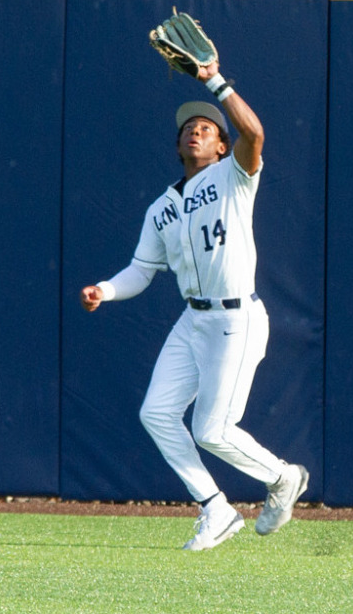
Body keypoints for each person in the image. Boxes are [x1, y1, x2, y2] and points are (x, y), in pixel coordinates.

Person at [80, 55, 308, 551]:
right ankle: (215, 508)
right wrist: (106, 290)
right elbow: (142, 270)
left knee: (211, 429)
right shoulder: (161, 208)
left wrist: (216, 82)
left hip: (236, 316)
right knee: (156, 413)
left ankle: (283, 477)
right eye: (189, 128)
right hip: (193, 321)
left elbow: (257, 134)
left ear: (223, 145)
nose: (195, 132)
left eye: (206, 128)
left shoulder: (234, 177)